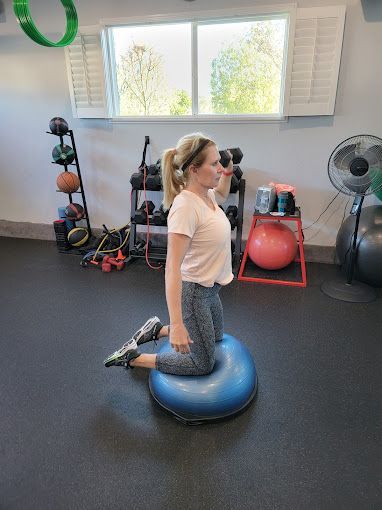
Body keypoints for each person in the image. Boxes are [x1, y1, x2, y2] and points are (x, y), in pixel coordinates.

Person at [104, 133, 234, 375]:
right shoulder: (185, 207)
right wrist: (176, 324)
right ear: (194, 169)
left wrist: (227, 172)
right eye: (214, 163)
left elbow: (224, 194)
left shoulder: (206, 194)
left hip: (212, 290)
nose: (219, 167)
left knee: (216, 337)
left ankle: (155, 330)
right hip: (195, 293)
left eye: (219, 161)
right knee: (202, 364)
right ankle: (132, 358)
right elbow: (172, 268)